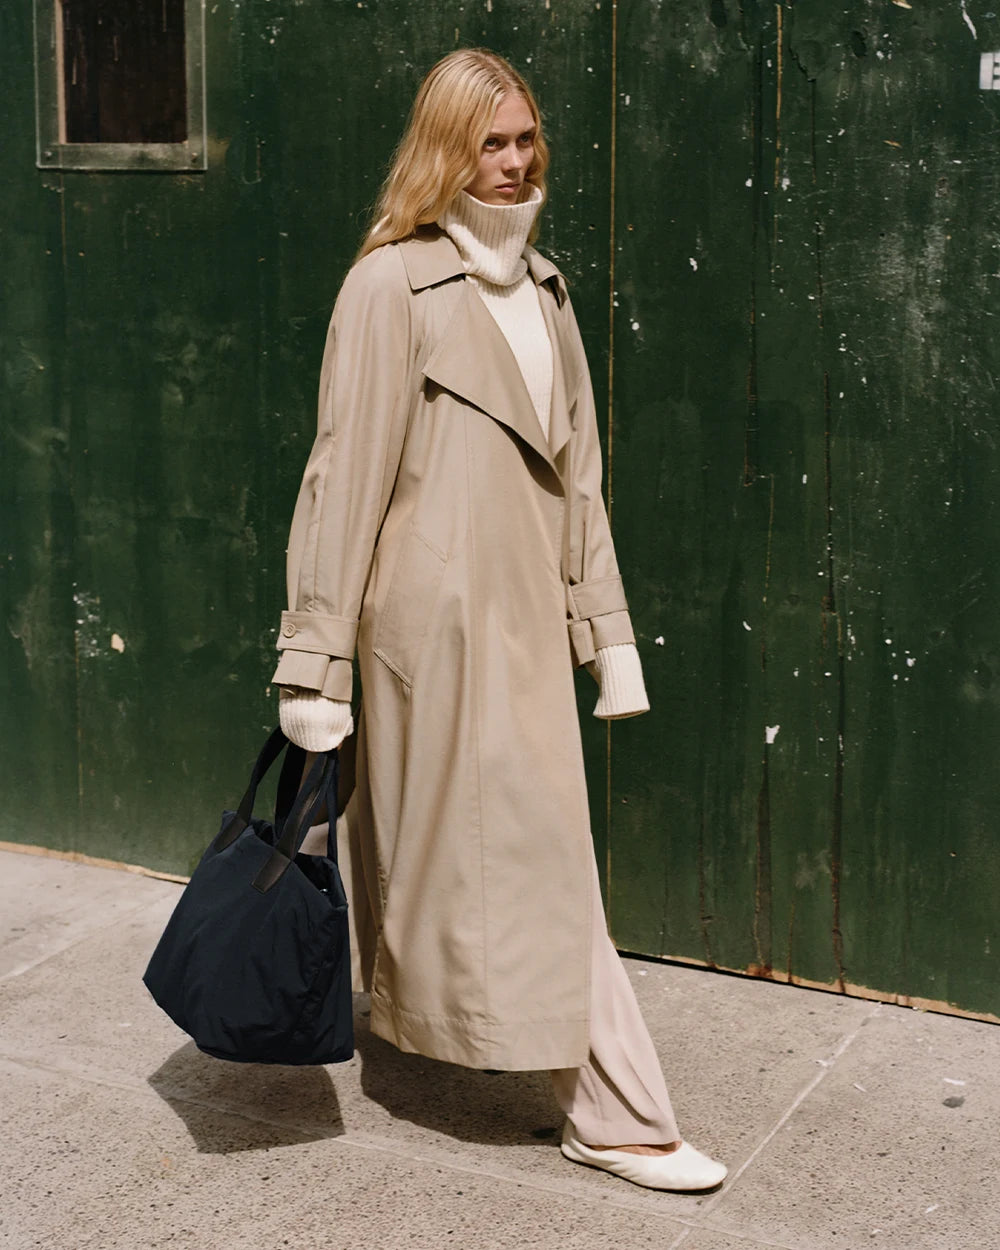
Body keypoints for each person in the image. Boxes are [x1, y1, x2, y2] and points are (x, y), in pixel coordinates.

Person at [272, 48, 726, 1192]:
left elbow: (581, 483)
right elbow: (341, 478)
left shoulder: (547, 290)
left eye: (525, 138)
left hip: (524, 628)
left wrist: (606, 632)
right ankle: (618, 1111)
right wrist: (315, 660)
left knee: (494, 858)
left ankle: (538, 1070)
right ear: (446, 150)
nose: (515, 162)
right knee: (530, 860)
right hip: (435, 636)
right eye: (490, 142)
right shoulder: (391, 286)